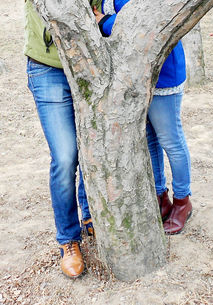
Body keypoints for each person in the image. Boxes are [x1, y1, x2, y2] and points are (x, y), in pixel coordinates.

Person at [92, 0, 193, 234]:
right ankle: (160, 196)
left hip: (163, 72)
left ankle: (182, 201)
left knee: (170, 140)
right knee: (150, 140)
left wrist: (104, 22)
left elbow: (146, 23)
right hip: (137, 75)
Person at [24, 0, 94, 278]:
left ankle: (90, 215)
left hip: (88, 63)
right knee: (66, 157)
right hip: (47, 68)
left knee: (92, 148)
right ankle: (68, 238)